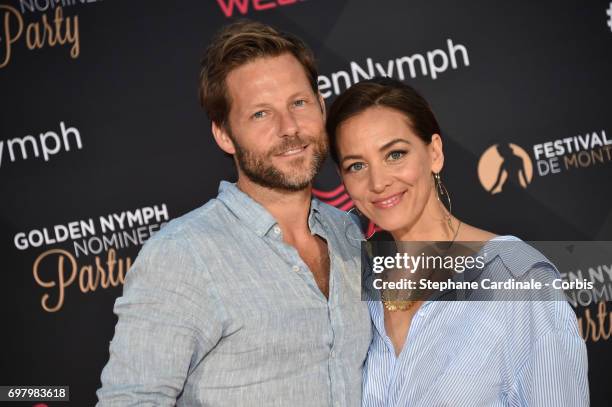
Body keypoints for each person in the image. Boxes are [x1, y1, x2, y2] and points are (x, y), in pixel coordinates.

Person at [96, 21, 371, 406]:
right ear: (224, 134)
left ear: (321, 106)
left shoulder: (351, 233)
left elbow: (467, 287)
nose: (289, 127)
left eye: (299, 103)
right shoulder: (183, 255)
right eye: (261, 114)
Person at [325, 77, 589, 406]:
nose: (378, 182)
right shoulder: (359, 284)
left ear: (434, 153)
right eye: (357, 165)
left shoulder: (517, 278)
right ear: (343, 180)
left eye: (395, 154)